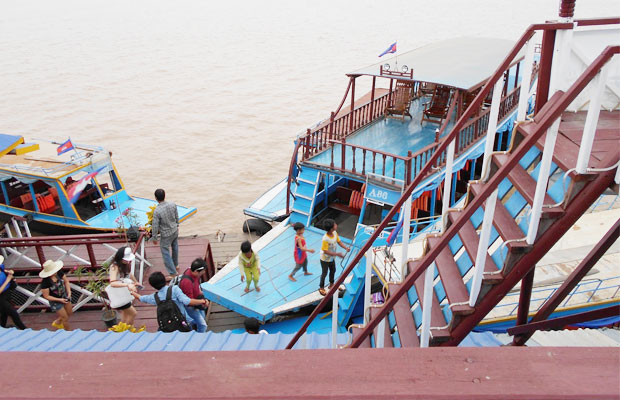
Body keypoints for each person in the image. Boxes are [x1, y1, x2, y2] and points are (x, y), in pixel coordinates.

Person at [131, 272, 207, 331]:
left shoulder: (155, 297)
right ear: (164, 280)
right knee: (197, 320)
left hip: (168, 324)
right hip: (183, 321)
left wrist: (132, 292)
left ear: (153, 286)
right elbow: (187, 301)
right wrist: (202, 301)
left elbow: (141, 298)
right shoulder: (174, 289)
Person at [108, 246, 141, 329]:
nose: (128, 261)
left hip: (124, 293)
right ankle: (126, 330)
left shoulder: (124, 265)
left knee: (125, 314)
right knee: (133, 313)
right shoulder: (114, 267)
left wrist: (135, 281)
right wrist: (127, 285)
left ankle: (125, 329)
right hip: (119, 294)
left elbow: (129, 274)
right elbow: (112, 282)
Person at [150, 188, 180, 279]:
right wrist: (177, 225)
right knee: (175, 247)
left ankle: (172, 273)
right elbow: (176, 216)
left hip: (166, 234)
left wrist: (154, 237)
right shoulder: (172, 204)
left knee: (165, 252)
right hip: (174, 230)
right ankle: (176, 264)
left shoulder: (157, 211)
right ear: (164, 195)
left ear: (156, 198)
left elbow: (155, 226)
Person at [318, 219, 350, 296]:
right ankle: (321, 287)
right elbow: (325, 250)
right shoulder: (325, 238)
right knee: (324, 273)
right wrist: (337, 254)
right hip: (325, 259)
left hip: (332, 258)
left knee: (333, 270)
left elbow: (339, 242)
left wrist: (345, 248)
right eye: (335, 224)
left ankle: (331, 284)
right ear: (331, 228)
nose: (336, 225)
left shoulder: (335, 233)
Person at [177, 258, 209, 333]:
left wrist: (203, 299)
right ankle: (199, 338)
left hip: (197, 300)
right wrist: (202, 301)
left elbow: (198, 288)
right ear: (195, 271)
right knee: (203, 325)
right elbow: (189, 302)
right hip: (190, 306)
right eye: (203, 271)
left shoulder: (194, 273)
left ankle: (192, 325)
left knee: (202, 318)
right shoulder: (186, 282)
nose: (204, 272)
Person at [39, 259, 73, 330]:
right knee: (65, 318)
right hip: (55, 301)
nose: (55, 272)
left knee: (69, 312)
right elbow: (46, 296)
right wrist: (59, 300)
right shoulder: (45, 282)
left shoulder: (59, 273)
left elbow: (66, 281)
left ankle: (57, 322)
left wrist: (69, 292)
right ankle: (68, 331)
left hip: (64, 295)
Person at [0, 256, 27, 330]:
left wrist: (9, 272)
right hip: (1, 297)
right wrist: (7, 280)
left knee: (4, 312)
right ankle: (23, 328)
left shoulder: (1, 268)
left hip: (7, 293)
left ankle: (2, 326)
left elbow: (4, 271)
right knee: (13, 313)